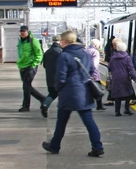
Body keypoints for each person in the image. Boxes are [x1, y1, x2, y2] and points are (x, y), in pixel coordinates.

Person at [41, 30, 104, 158]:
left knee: (61, 122)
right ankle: (97, 146)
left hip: (68, 93)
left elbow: (61, 77)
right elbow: (92, 70)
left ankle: (54, 146)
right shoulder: (84, 53)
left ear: (64, 41)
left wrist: (58, 89)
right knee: (89, 121)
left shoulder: (64, 56)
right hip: (84, 93)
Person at [17, 24, 46, 112]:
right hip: (22, 65)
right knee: (27, 86)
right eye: (21, 31)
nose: (22, 33)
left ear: (27, 32)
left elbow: (39, 53)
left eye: (24, 31)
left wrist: (34, 63)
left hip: (30, 66)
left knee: (26, 86)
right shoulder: (20, 42)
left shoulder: (33, 41)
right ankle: (42, 99)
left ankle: (27, 105)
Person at [108, 39, 136, 116]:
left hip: (115, 78)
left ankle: (117, 112)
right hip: (125, 78)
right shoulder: (127, 58)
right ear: (125, 48)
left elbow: (109, 67)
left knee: (117, 95)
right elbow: (131, 68)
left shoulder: (113, 57)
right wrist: (135, 77)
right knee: (128, 94)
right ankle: (126, 109)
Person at [40, 35, 62, 117]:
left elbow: (44, 65)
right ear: (60, 41)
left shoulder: (47, 52)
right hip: (59, 78)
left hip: (49, 77)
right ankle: (61, 112)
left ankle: (45, 104)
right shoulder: (61, 51)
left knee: (52, 94)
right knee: (61, 95)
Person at [88, 39, 106, 111]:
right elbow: (95, 64)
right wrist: (94, 75)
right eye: (98, 45)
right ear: (95, 45)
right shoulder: (95, 52)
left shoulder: (86, 50)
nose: (99, 47)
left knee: (89, 90)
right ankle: (99, 105)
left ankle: (98, 105)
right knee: (98, 90)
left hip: (86, 73)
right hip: (94, 74)